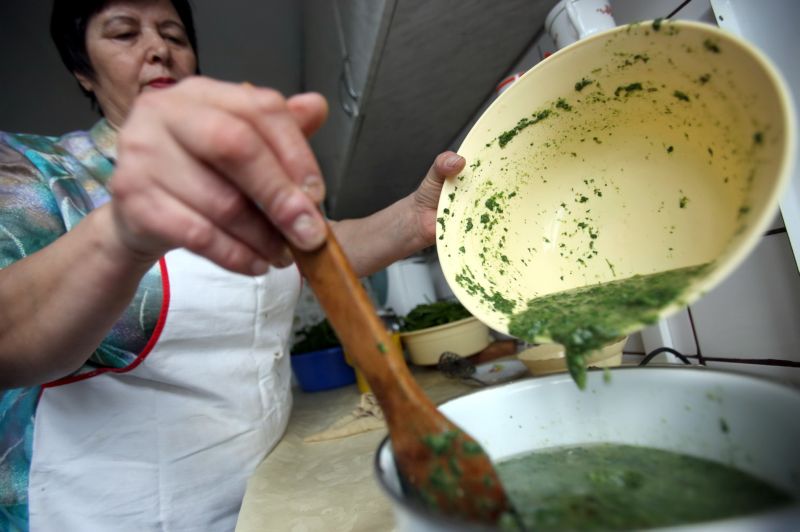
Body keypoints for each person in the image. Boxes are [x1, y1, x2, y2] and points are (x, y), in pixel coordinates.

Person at [0, 0, 466, 530]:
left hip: (265, 495)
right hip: (113, 512)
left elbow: (317, 247)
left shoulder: (240, 178)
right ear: (82, 69)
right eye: (125, 34)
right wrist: (122, 233)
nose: (158, 50)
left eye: (174, 35)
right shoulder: (39, 171)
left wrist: (414, 219)